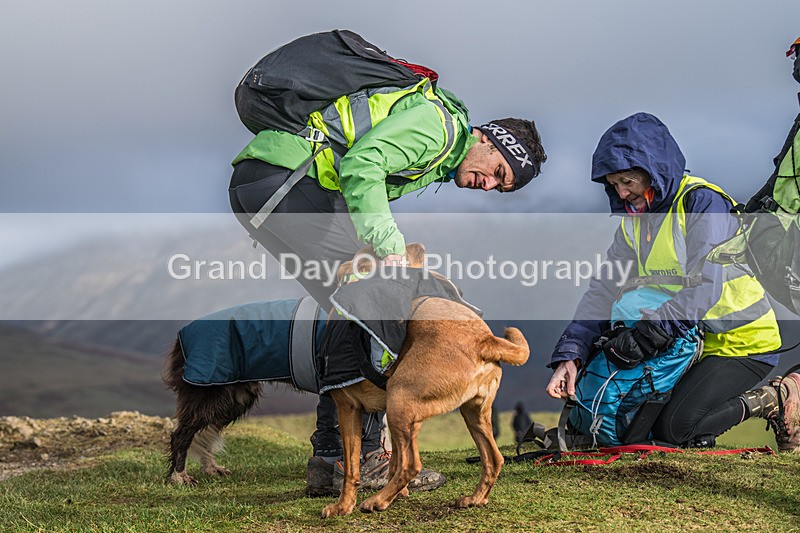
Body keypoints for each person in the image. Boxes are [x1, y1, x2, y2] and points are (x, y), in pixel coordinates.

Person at [229, 77, 547, 495]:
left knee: (351, 316)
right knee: (377, 311)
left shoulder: (441, 151)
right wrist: (389, 249)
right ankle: (358, 461)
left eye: (499, 189)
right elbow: (364, 163)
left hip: (272, 184)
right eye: (497, 172)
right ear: (489, 140)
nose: (487, 185)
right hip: (287, 185)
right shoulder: (440, 126)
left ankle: (334, 460)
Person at [546, 112, 799, 451]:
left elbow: (705, 287)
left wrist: (649, 334)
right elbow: (604, 289)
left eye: (627, 182)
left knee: (676, 431)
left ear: (653, 170)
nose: (621, 193)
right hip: (684, 343)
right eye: (613, 185)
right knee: (639, 432)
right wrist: (572, 355)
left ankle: (773, 399)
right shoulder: (634, 222)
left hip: (741, 342)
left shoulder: (701, 202)